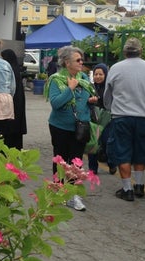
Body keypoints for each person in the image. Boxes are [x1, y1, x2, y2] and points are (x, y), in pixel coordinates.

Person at [104, 38, 145, 202]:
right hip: (144, 117)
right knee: (141, 151)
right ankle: (140, 185)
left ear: (125, 52)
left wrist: (109, 107)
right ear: (140, 51)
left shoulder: (116, 68)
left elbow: (108, 93)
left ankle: (127, 189)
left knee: (123, 151)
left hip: (122, 116)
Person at [45, 45, 98, 211]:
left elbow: (87, 95)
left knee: (76, 162)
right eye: (78, 60)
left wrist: (91, 100)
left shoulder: (83, 77)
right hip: (60, 127)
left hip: (80, 126)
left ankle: (73, 195)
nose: (82, 62)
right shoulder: (56, 79)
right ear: (67, 63)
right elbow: (56, 103)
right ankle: (59, 192)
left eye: (82, 59)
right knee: (60, 161)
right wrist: (70, 89)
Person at [87, 63, 117, 175]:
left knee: (107, 143)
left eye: (101, 74)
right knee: (93, 144)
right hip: (94, 119)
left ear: (106, 75)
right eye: (96, 74)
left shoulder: (109, 88)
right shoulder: (90, 87)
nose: (98, 76)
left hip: (107, 120)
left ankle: (112, 163)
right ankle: (92, 168)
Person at [0, 49, 27, 149]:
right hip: (18, 106)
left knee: (9, 136)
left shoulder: (9, 70)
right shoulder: (16, 69)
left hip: (11, 106)